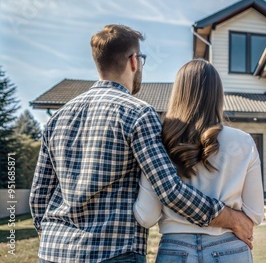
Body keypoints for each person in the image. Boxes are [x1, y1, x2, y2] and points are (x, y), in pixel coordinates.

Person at [29, 24, 253, 263]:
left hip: (53, 253)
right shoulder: (138, 114)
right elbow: (170, 190)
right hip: (113, 253)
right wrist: (231, 218)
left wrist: (54, 239)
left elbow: (38, 197)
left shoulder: (58, 118)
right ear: (134, 61)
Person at [133, 59, 264, 263]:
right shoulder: (244, 141)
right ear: (217, 96)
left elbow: (146, 216)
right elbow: (255, 213)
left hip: (175, 249)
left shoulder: (161, 142)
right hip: (229, 248)